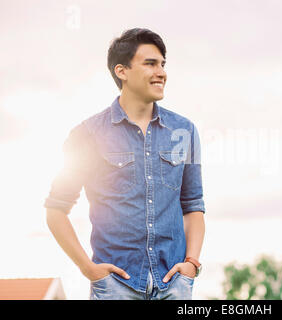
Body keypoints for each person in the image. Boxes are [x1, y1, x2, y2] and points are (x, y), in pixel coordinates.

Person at [44, 28, 206, 300]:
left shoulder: (184, 131)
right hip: (115, 289)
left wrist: (191, 263)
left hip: (174, 286)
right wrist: (89, 269)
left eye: (163, 64)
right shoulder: (87, 135)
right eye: (150, 63)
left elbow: (193, 205)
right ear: (122, 71)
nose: (161, 72)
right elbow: (56, 210)